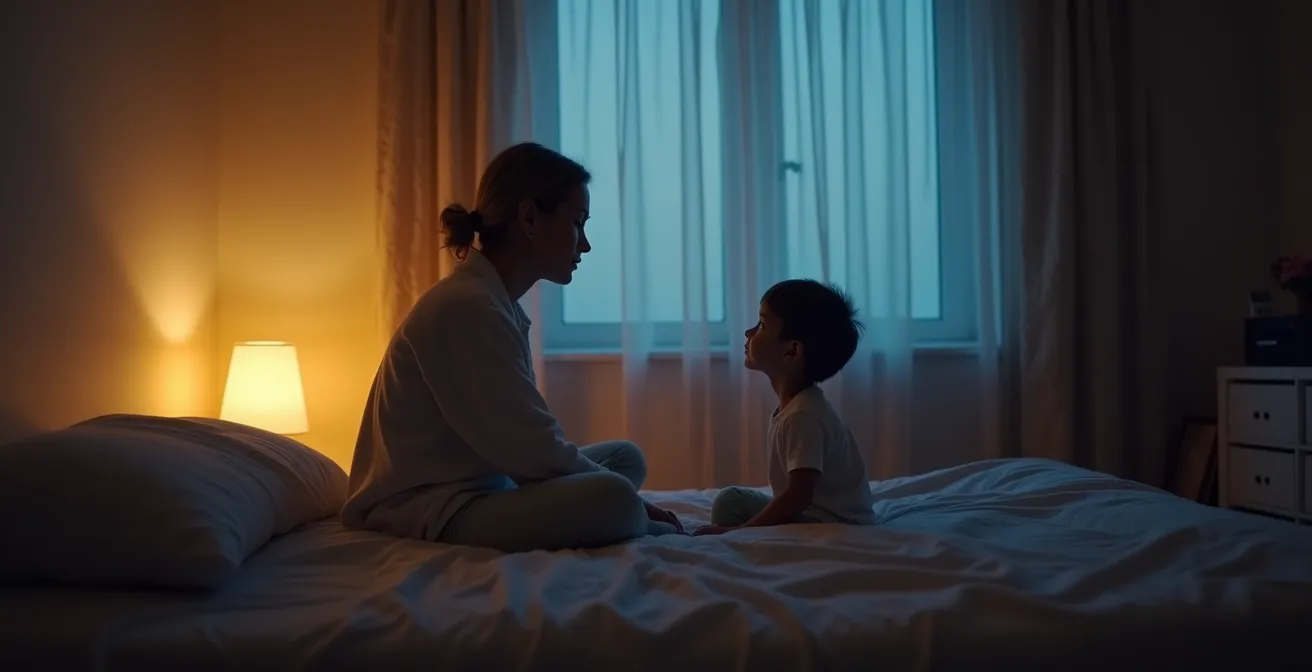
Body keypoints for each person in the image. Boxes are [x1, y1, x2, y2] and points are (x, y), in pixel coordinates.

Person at [341, 142, 683, 553]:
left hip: (485, 485)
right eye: (577, 223)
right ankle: (648, 526)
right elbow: (532, 448)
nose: (585, 244)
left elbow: (527, 447)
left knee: (625, 459)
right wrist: (646, 514)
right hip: (432, 507)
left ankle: (623, 508)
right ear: (529, 218)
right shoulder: (467, 308)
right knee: (615, 498)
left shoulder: (489, 302)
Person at [692, 279, 877, 536]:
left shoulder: (804, 416)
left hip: (830, 523)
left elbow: (798, 496)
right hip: (813, 513)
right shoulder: (798, 407)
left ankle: (736, 541)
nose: (748, 332)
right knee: (730, 500)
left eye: (761, 325)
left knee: (730, 508)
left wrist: (739, 531)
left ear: (792, 352)